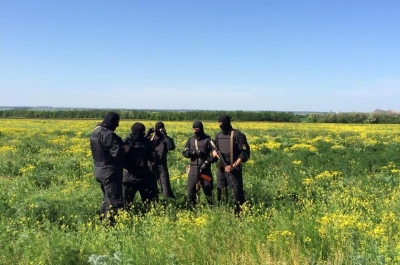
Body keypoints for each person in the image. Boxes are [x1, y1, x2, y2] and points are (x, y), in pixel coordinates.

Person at [89, 112, 133, 224]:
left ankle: (103, 219)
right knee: (115, 201)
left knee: (107, 198)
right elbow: (118, 154)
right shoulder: (108, 134)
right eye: (117, 122)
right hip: (110, 172)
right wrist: (128, 145)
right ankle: (112, 226)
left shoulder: (96, 132)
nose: (117, 125)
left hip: (99, 169)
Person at [212, 114, 250, 214]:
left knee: (237, 193)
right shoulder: (219, 135)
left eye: (222, 123)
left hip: (234, 170)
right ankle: (223, 212)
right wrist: (214, 152)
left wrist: (233, 166)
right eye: (219, 123)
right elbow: (214, 148)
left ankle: (239, 214)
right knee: (221, 192)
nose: (220, 125)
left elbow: (244, 153)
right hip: (221, 169)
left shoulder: (238, 135)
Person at [123, 122, 158, 211]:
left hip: (143, 174)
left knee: (148, 199)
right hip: (132, 174)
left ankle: (146, 213)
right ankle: (128, 213)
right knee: (127, 199)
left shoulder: (137, 141)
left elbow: (152, 155)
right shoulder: (129, 142)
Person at [182, 120, 217, 207]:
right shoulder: (190, 140)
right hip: (193, 169)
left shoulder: (208, 140)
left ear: (201, 129)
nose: (195, 131)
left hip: (205, 170)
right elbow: (185, 153)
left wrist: (207, 161)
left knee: (208, 191)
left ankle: (212, 209)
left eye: (197, 129)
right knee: (191, 192)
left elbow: (216, 155)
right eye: (194, 129)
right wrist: (194, 152)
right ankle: (192, 209)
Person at [146, 121, 176, 199]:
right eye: (158, 128)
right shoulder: (150, 137)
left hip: (161, 165)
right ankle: (153, 201)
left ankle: (168, 200)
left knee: (165, 186)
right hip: (151, 164)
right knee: (151, 186)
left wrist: (164, 135)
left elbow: (171, 147)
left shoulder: (165, 139)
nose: (159, 130)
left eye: (161, 128)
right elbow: (142, 142)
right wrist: (147, 134)